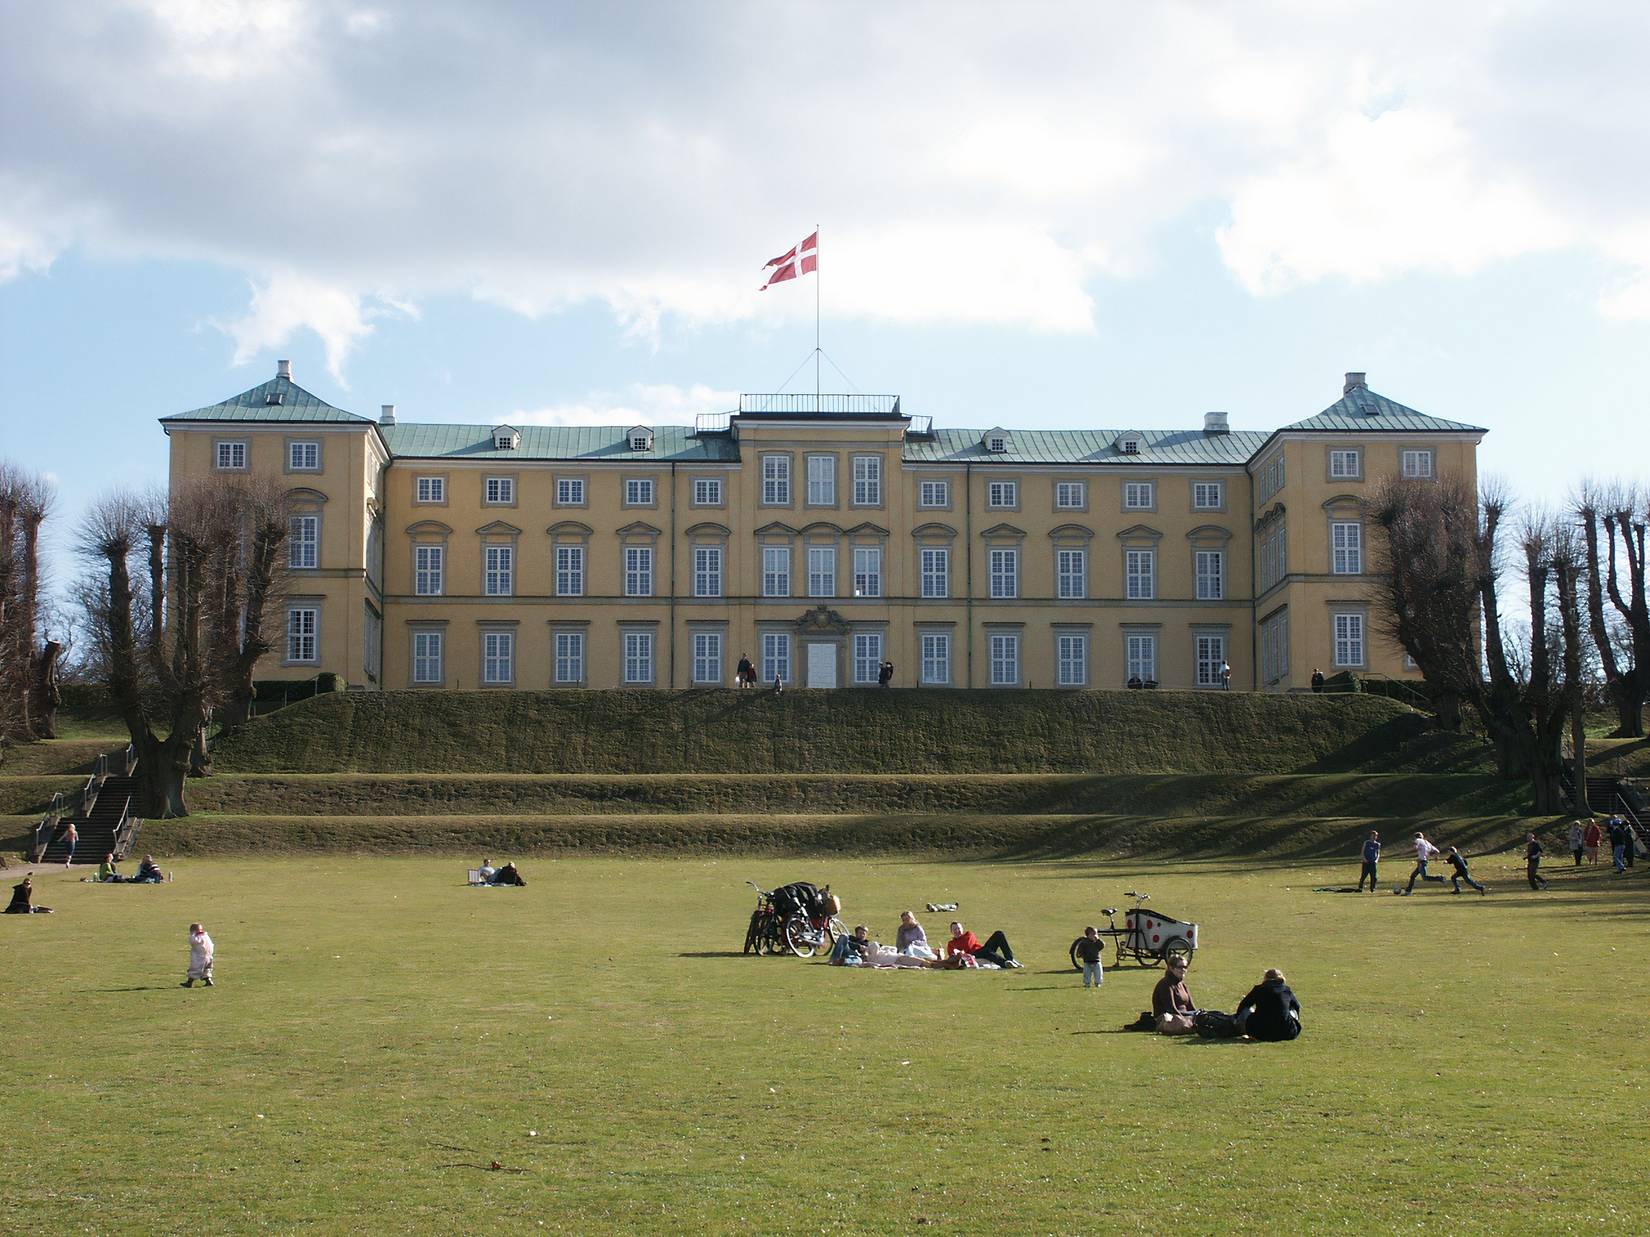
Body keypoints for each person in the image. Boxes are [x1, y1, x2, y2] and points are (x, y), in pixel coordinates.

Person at [1232, 968, 1302, 1041]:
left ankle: (1239, 1028)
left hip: (1260, 1033)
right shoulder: (1286, 990)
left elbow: (1243, 1005)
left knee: (1247, 1009)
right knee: (1291, 1008)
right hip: (1287, 1033)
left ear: (1265, 978)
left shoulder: (1258, 989)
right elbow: (1296, 1006)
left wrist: (1236, 1018)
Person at [945, 920, 1021, 969]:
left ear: (962, 929)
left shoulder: (969, 935)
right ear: (951, 932)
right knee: (986, 951)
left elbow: (968, 946)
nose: (957, 931)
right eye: (954, 929)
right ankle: (1004, 964)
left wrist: (960, 951)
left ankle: (1010, 959)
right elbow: (953, 957)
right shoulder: (951, 944)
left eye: (958, 928)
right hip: (972, 956)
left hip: (979, 951)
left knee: (998, 934)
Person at [1152, 955, 1197, 1034]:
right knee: (1182, 1022)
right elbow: (1171, 1009)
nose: (1183, 970)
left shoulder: (1182, 984)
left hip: (1185, 1015)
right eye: (1180, 967)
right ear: (1171, 968)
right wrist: (1185, 1019)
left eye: (1185, 967)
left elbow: (1191, 1006)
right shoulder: (1166, 984)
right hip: (1170, 1017)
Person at [182, 922, 214, 987]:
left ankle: (189, 982)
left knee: (195, 969)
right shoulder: (206, 936)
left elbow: (193, 942)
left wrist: (193, 935)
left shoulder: (198, 937)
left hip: (200, 957)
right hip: (209, 956)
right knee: (206, 969)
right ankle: (209, 981)